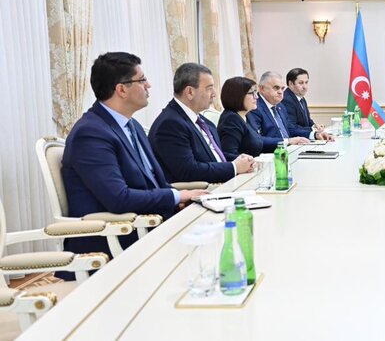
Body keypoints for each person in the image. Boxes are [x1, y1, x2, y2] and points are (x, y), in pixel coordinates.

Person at [62, 52, 208, 257]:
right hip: (117, 240)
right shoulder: (90, 134)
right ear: (121, 89)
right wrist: (177, 196)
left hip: (151, 226)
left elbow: (153, 183)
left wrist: (180, 199)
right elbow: (119, 198)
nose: (149, 85)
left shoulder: (133, 126)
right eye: (142, 80)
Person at [149, 63, 254, 183]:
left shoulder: (204, 121)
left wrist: (242, 160)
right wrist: (234, 167)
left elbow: (213, 156)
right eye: (209, 88)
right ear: (190, 92)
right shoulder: (170, 124)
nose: (214, 94)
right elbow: (188, 171)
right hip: (202, 190)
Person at [249, 71, 327, 152]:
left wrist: (314, 135)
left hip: (290, 150)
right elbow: (257, 139)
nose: (280, 92)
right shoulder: (254, 107)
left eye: (282, 88)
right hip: (272, 154)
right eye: (276, 88)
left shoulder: (280, 106)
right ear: (262, 88)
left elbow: (290, 129)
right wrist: (287, 141)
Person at [218, 76, 263, 160]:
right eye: (251, 93)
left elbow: (258, 142)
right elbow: (229, 154)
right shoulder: (231, 119)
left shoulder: (247, 115)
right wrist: (250, 161)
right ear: (237, 96)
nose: (256, 97)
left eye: (256, 92)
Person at [282, 68, 333, 141]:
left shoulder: (301, 98)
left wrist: (315, 126)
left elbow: (308, 121)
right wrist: (313, 131)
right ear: (290, 84)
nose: (305, 86)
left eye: (306, 82)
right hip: (296, 141)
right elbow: (292, 128)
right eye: (301, 83)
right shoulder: (286, 99)